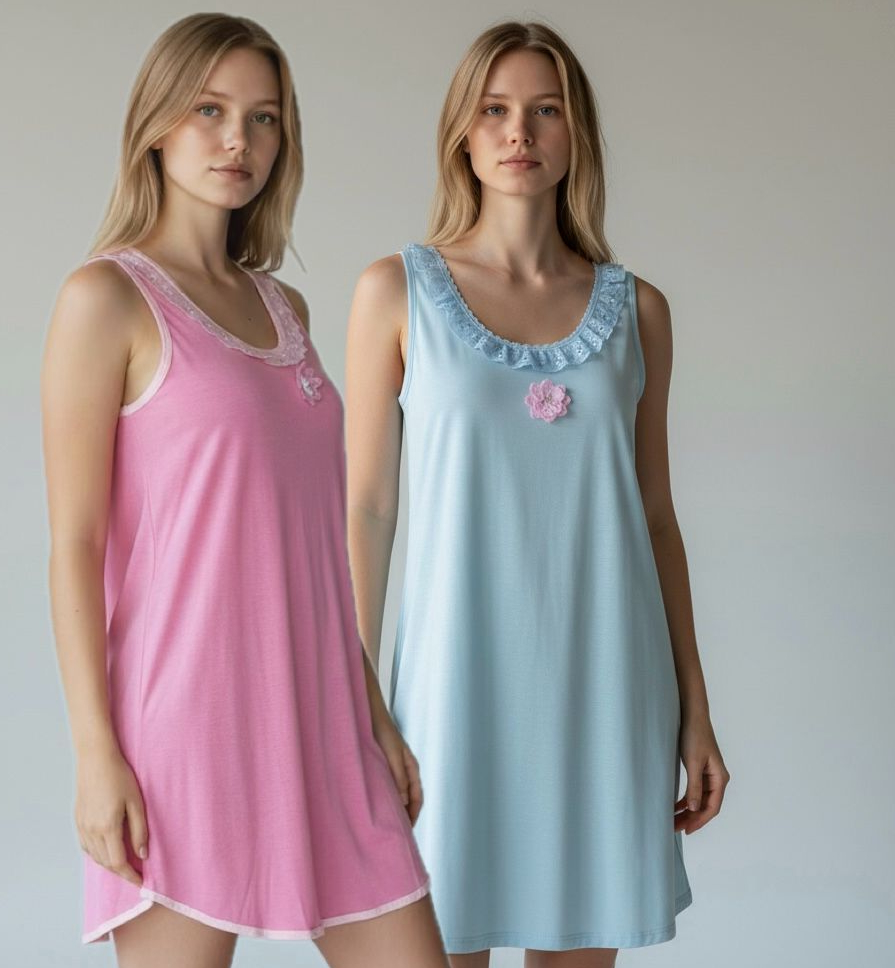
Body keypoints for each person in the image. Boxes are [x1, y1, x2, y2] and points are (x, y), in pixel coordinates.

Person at [41, 14, 448, 968]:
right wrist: (96, 754)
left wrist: (371, 710)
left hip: (324, 720)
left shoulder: (284, 307)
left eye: (264, 118)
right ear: (156, 124)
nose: (238, 140)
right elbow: (75, 545)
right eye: (210, 111)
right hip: (183, 730)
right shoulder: (105, 300)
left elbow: (305, 543)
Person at [344, 20, 730, 967]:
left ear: (576, 134)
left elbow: (656, 519)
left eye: (545, 110)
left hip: (605, 681)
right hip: (451, 688)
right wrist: (356, 698)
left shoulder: (639, 311)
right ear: (462, 133)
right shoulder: (395, 292)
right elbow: (367, 509)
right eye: (495, 109)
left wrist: (695, 706)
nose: (520, 131)